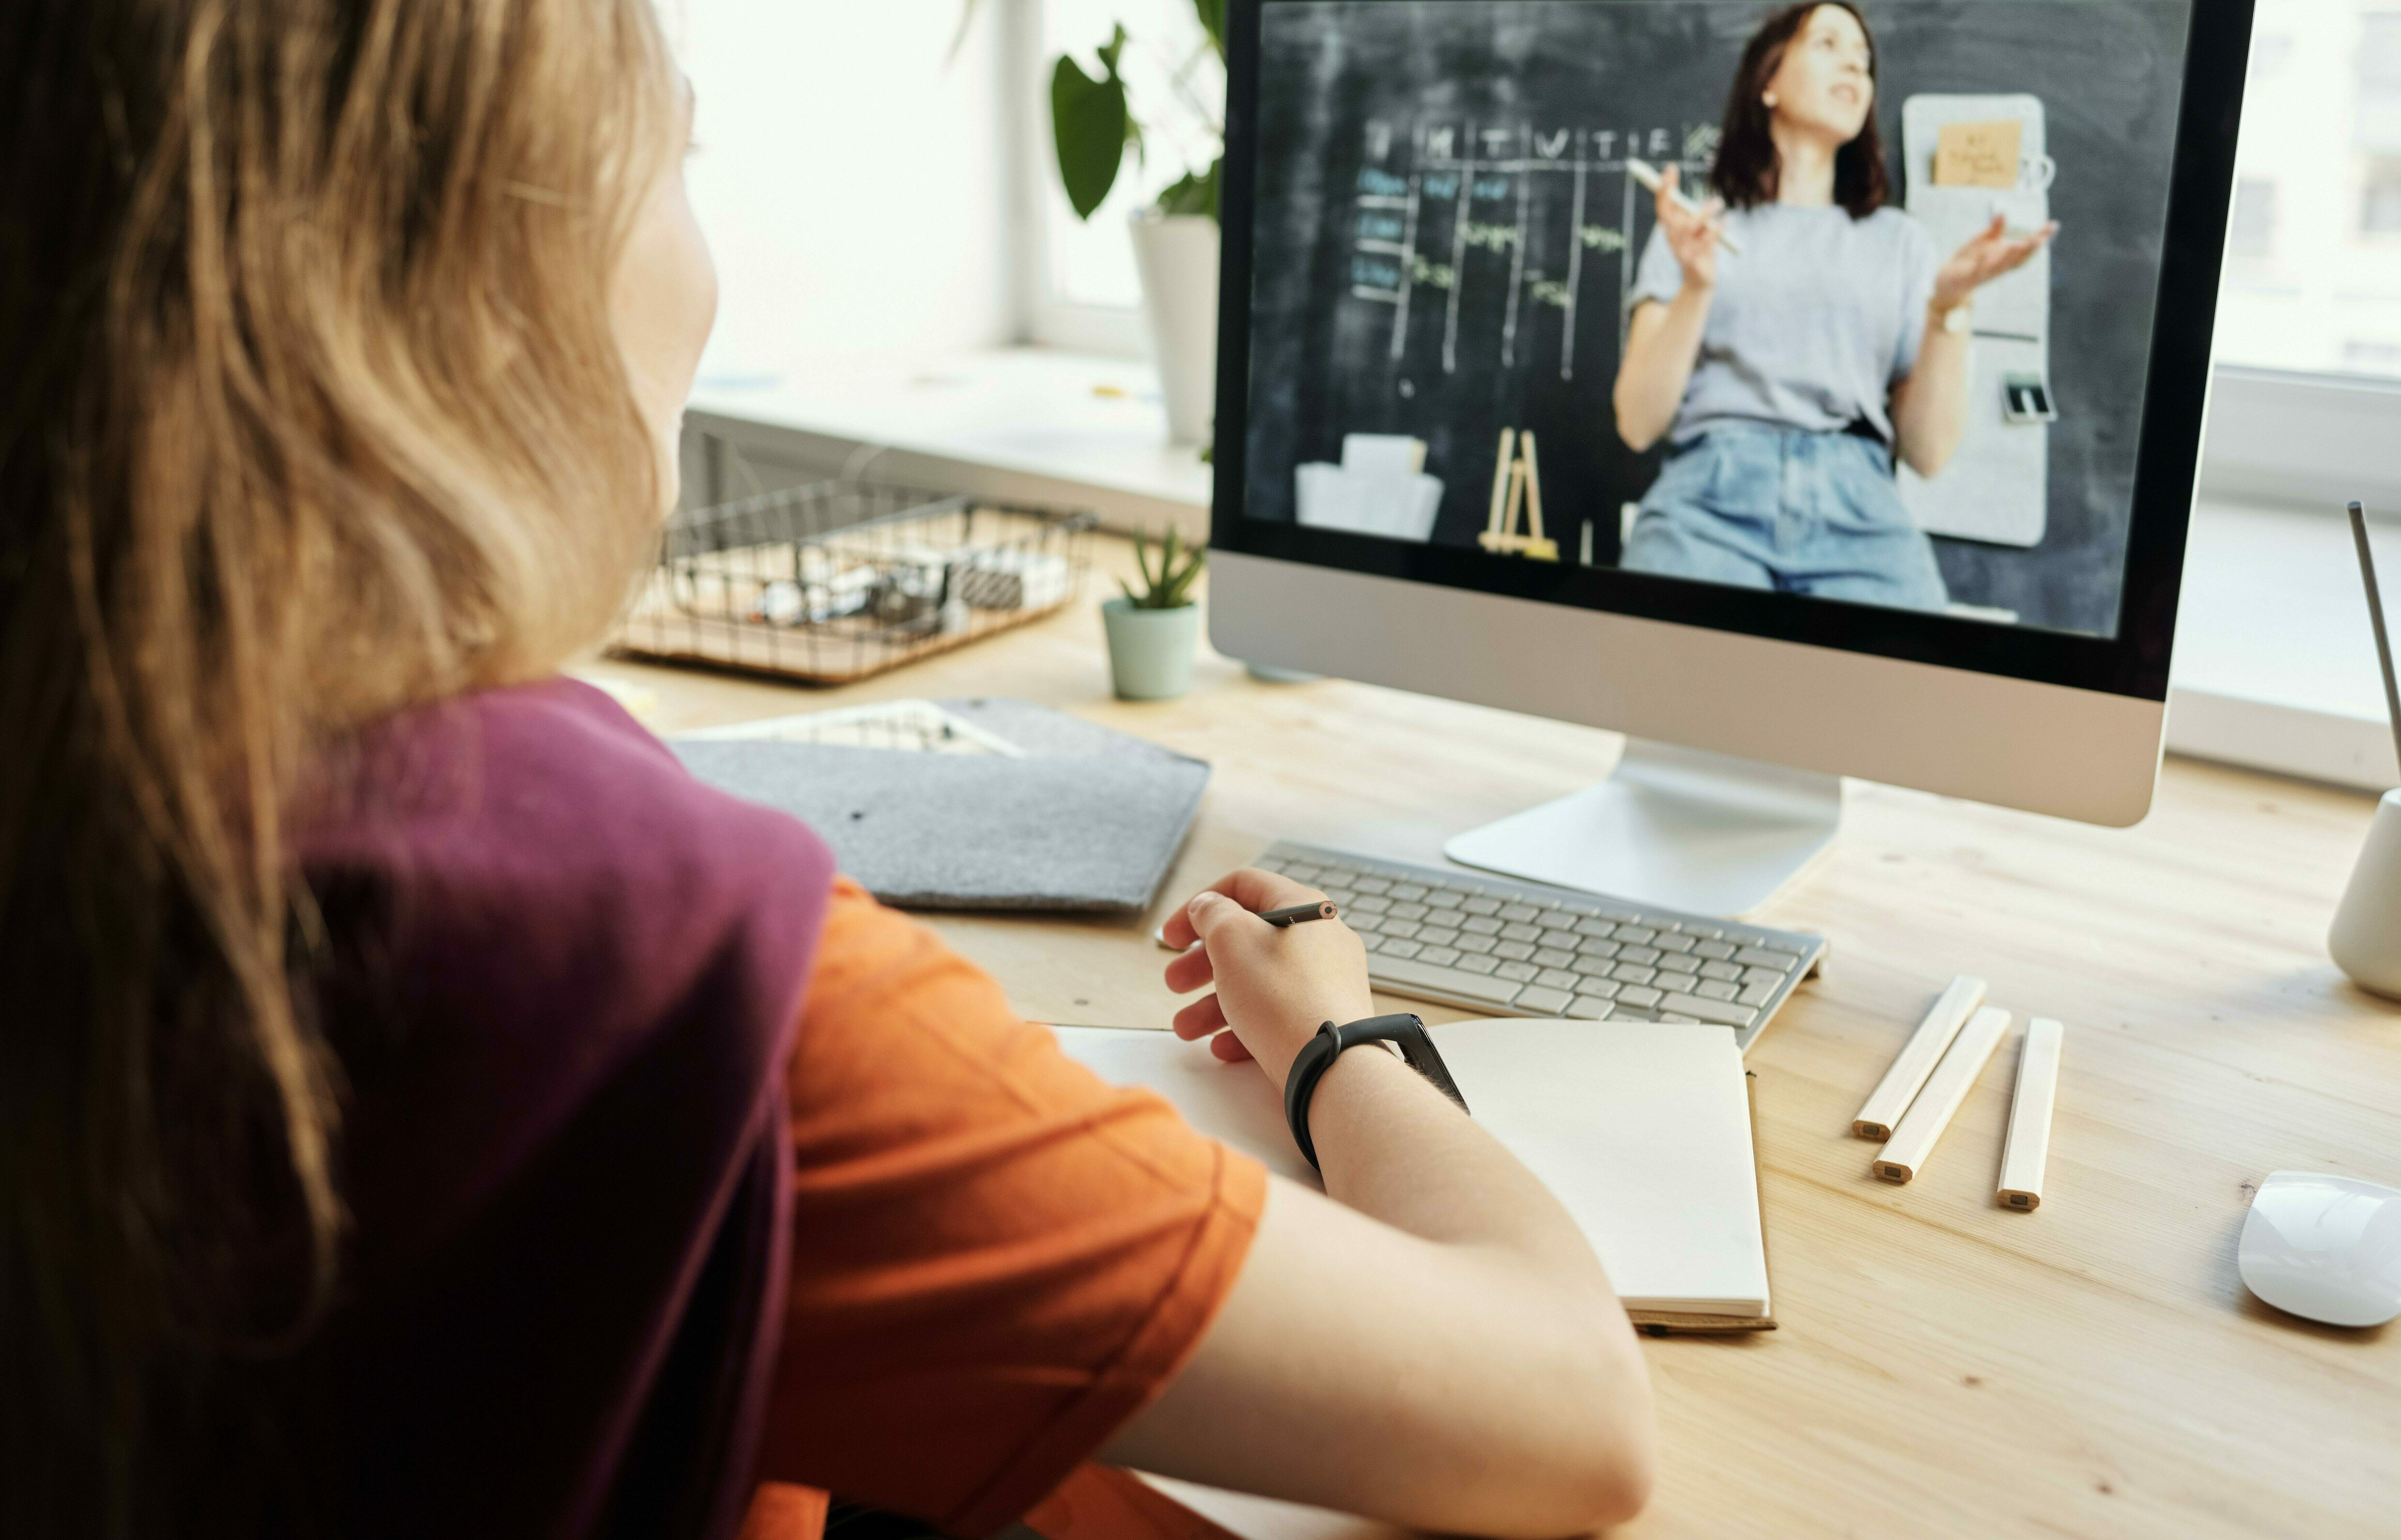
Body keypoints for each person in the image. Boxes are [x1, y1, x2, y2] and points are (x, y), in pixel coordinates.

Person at [0, 5, 1656, 1539]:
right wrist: (1338, 1034)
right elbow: (1569, 1413)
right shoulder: (653, 960)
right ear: (485, 270)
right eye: (678, 162)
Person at [1611, 1, 2055, 609]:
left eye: (1864, 59)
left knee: (1915, 686)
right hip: (1708, 500)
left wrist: (1949, 307)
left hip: (1859, 508)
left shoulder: (1898, 242)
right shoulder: (1695, 229)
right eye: (1827, 44)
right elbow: (1637, 423)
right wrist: (1697, 284)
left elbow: (1926, 454)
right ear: (1768, 81)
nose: (1853, 63)